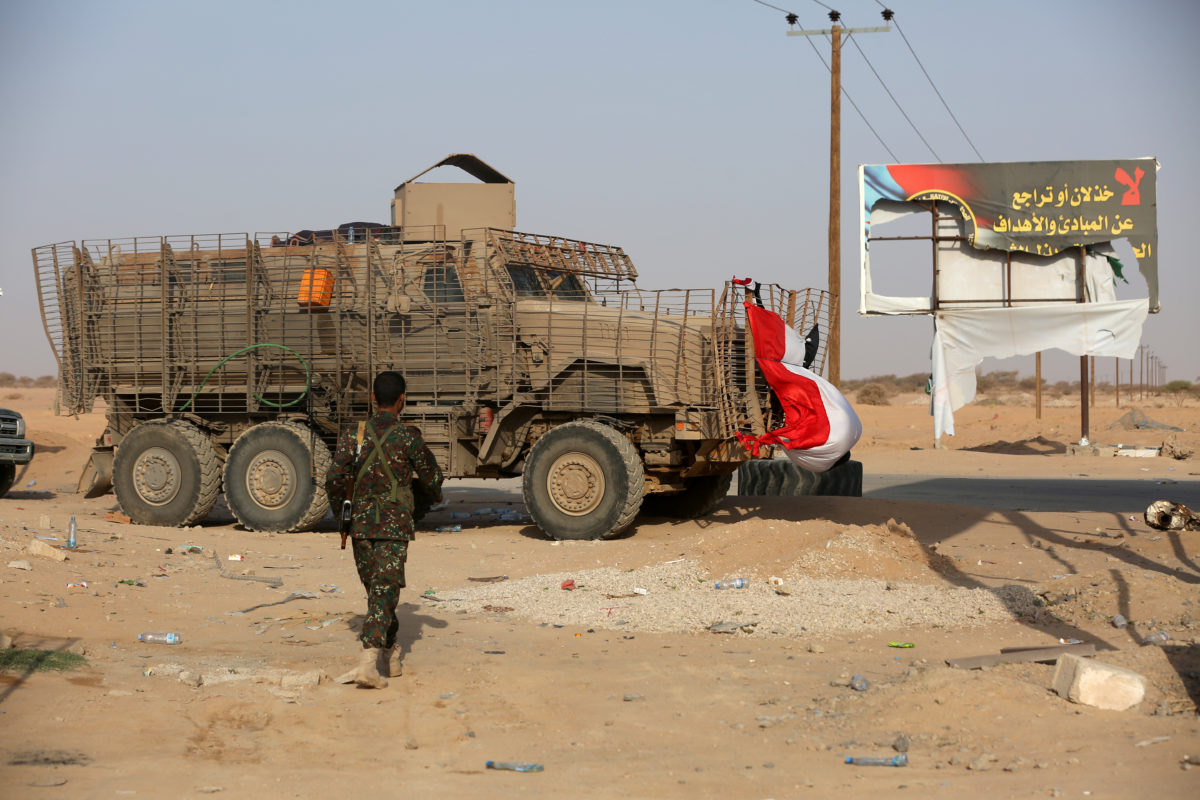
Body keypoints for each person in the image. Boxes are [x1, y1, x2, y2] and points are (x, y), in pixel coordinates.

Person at [326, 371, 443, 688]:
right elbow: (433, 478)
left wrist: (343, 515)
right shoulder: (408, 437)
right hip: (393, 526)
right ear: (402, 400)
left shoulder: (355, 435)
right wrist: (430, 498)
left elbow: (333, 479)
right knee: (382, 595)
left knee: (379, 593)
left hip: (360, 527)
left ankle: (389, 655)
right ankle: (369, 664)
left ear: (374, 399)